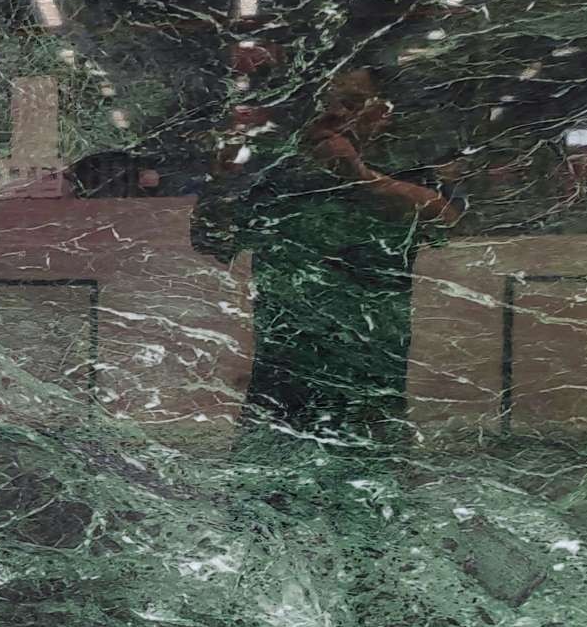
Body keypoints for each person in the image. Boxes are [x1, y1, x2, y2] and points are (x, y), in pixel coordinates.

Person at [194, 66, 465, 446]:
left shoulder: (406, 162)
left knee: (366, 467)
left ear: (380, 114)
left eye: (350, 103)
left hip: (368, 374)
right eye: (322, 104)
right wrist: (221, 180)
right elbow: (211, 241)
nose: (334, 114)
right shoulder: (275, 170)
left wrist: (360, 176)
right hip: (285, 377)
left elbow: (446, 222)